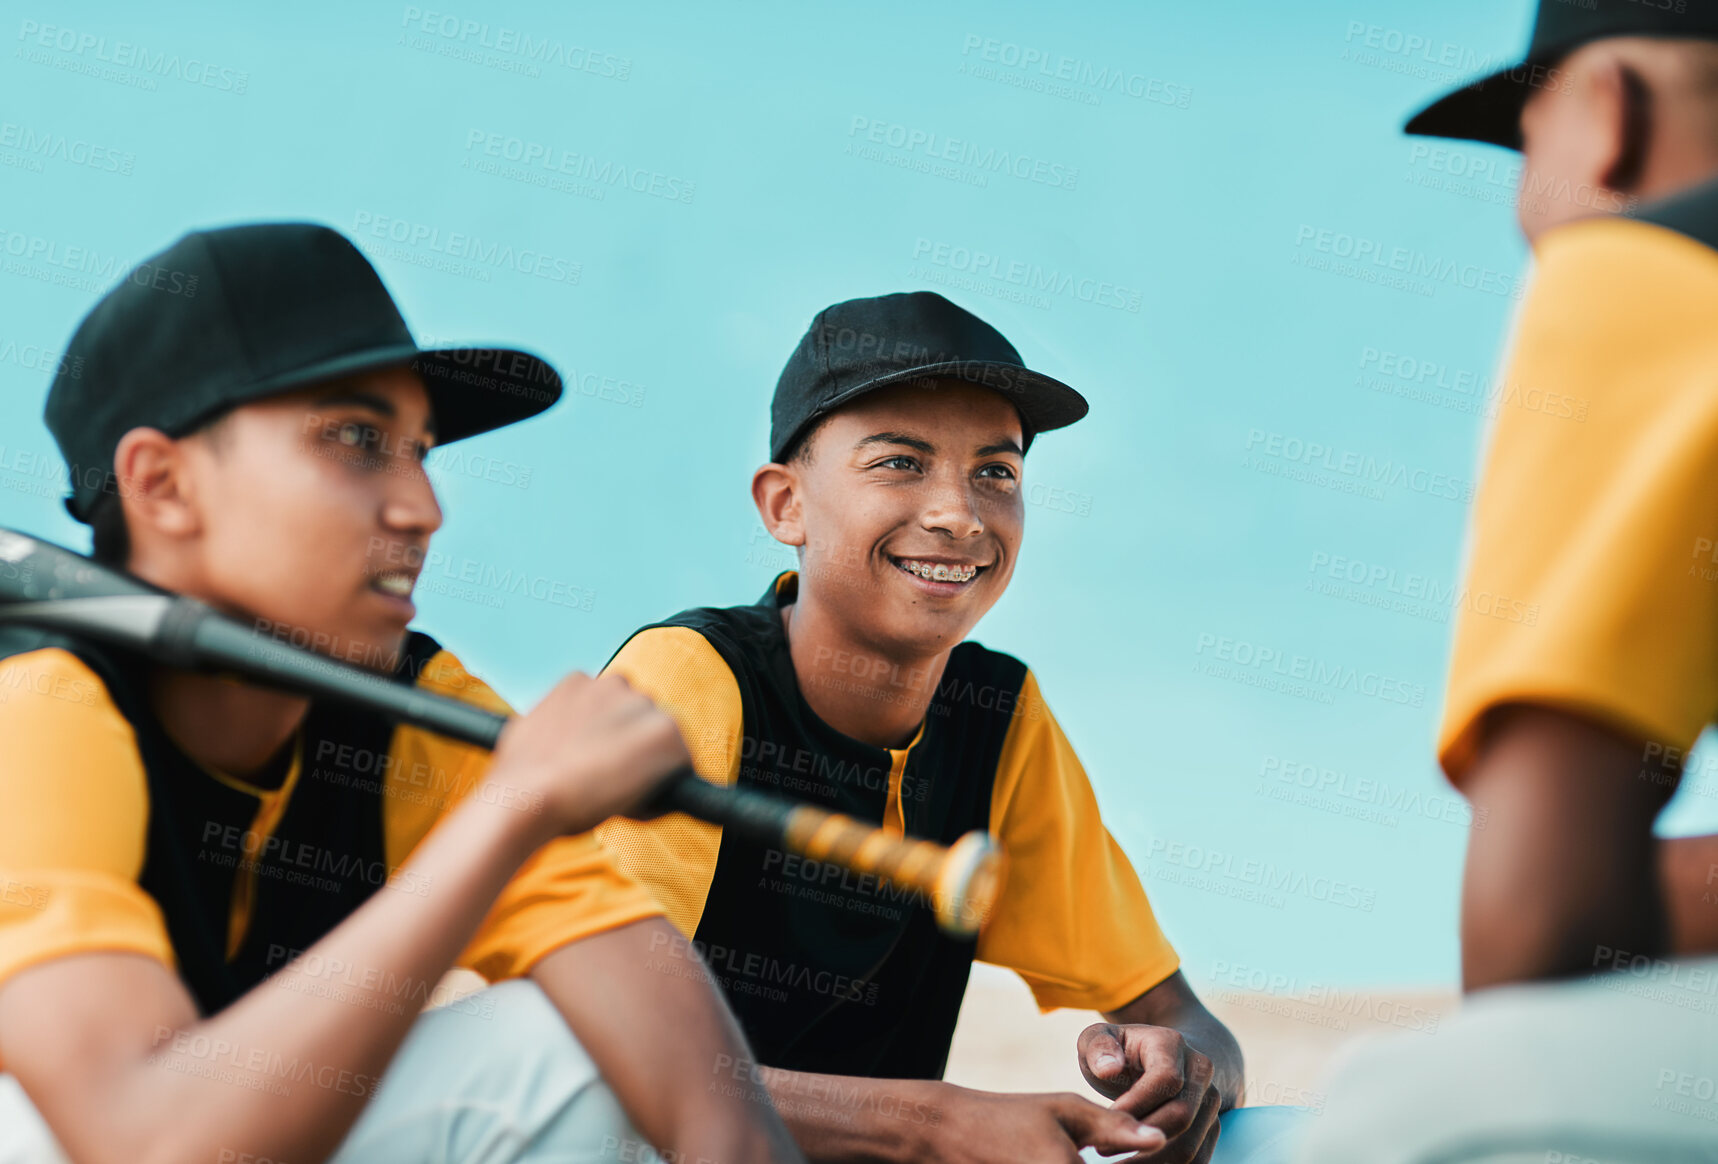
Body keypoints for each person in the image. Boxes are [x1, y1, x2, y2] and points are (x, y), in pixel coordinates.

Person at [0, 222, 804, 1164]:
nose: (423, 509)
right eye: (356, 440)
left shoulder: (410, 711)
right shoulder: (39, 703)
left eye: (420, 451)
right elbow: (150, 1144)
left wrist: (509, 809)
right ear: (162, 484)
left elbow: (711, 1112)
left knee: (573, 1050)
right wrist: (515, 809)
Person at [594, 291, 1309, 1163]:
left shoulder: (996, 716)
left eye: (995, 473)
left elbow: (1178, 1015)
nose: (960, 514)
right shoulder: (694, 680)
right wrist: (931, 1125)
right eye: (899, 463)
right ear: (787, 506)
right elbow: (593, 1065)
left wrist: (1185, 1074)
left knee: (1295, 1141)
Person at [1298, 3, 1718, 1159]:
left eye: (1525, 152)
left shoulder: (1640, 272)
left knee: (1397, 1116)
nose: (1527, 214)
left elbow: (1538, 933)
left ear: (1609, 117)